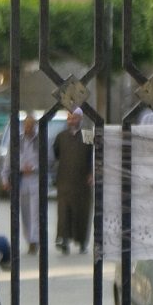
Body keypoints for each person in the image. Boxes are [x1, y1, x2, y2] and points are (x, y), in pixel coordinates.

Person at [52, 109, 93, 254]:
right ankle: (63, 240)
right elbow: (56, 155)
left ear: (80, 118)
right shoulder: (61, 137)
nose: (71, 121)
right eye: (69, 118)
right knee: (64, 213)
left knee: (82, 213)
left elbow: (94, 155)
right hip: (65, 181)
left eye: (74, 118)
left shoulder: (88, 135)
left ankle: (82, 242)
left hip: (82, 182)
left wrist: (92, 173)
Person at [11, 115, 43, 255]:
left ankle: (34, 240)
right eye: (26, 125)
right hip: (22, 181)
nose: (28, 128)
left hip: (36, 180)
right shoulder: (18, 141)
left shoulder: (41, 141)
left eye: (31, 125)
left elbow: (48, 160)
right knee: (25, 213)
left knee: (35, 212)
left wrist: (35, 168)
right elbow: (9, 160)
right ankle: (29, 238)